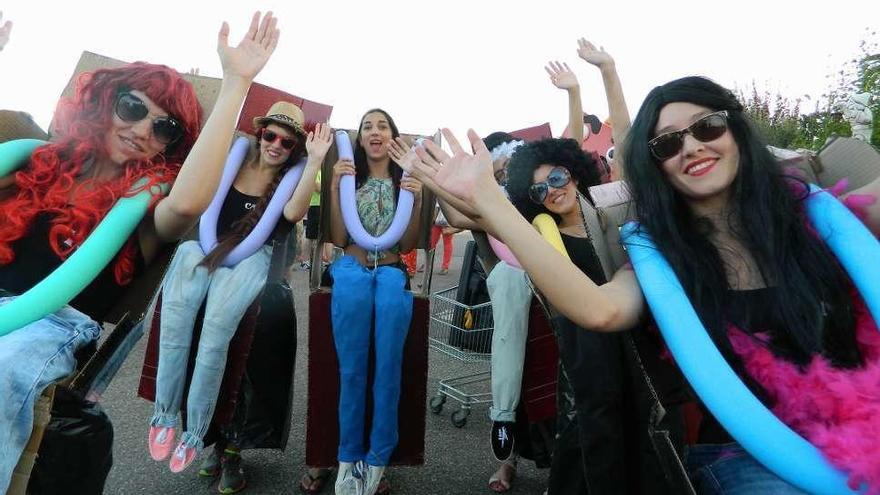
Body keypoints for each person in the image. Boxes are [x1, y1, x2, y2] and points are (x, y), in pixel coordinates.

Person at [408, 74, 880, 493]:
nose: (691, 147)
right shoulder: (656, 253)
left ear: (737, 130)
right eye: (668, 144)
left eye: (708, 126)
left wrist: (602, 73)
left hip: (858, 430)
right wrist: (492, 206)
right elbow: (600, 309)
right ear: (656, 165)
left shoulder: (821, 218)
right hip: (738, 456)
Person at [0, 10, 281, 493]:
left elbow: (190, 203)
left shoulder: (149, 204)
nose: (143, 129)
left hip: (50, 328)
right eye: (133, 107)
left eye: (165, 127)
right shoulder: (32, 162)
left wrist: (235, 82)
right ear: (107, 102)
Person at [148, 100, 331, 481]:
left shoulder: (294, 176)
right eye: (270, 135)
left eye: (287, 141)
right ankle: (168, 418)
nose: (276, 145)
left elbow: (295, 214)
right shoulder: (232, 159)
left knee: (234, 364)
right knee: (181, 333)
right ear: (259, 133)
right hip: (206, 259)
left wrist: (313, 160)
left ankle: (214, 443)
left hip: (255, 283)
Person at [506, 138, 686, 494]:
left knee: (650, 438)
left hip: (641, 349)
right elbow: (478, 218)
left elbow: (631, 144)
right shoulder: (544, 240)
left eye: (557, 178)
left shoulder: (612, 215)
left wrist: (607, 78)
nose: (553, 191)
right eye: (540, 189)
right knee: (593, 445)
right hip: (588, 361)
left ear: (573, 173)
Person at [326, 108, 422, 495]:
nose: (375, 131)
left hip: (392, 270)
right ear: (361, 138)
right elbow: (336, 234)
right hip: (352, 267)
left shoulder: (406, 182)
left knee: (388, 366)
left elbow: (410, 243)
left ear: (393, 136)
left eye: (382, 125)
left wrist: (415, 198)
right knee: (352, 367)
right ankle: (348, 456)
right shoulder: (350, 179)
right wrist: (334, 188)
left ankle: (378, 456)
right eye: (368, 126)